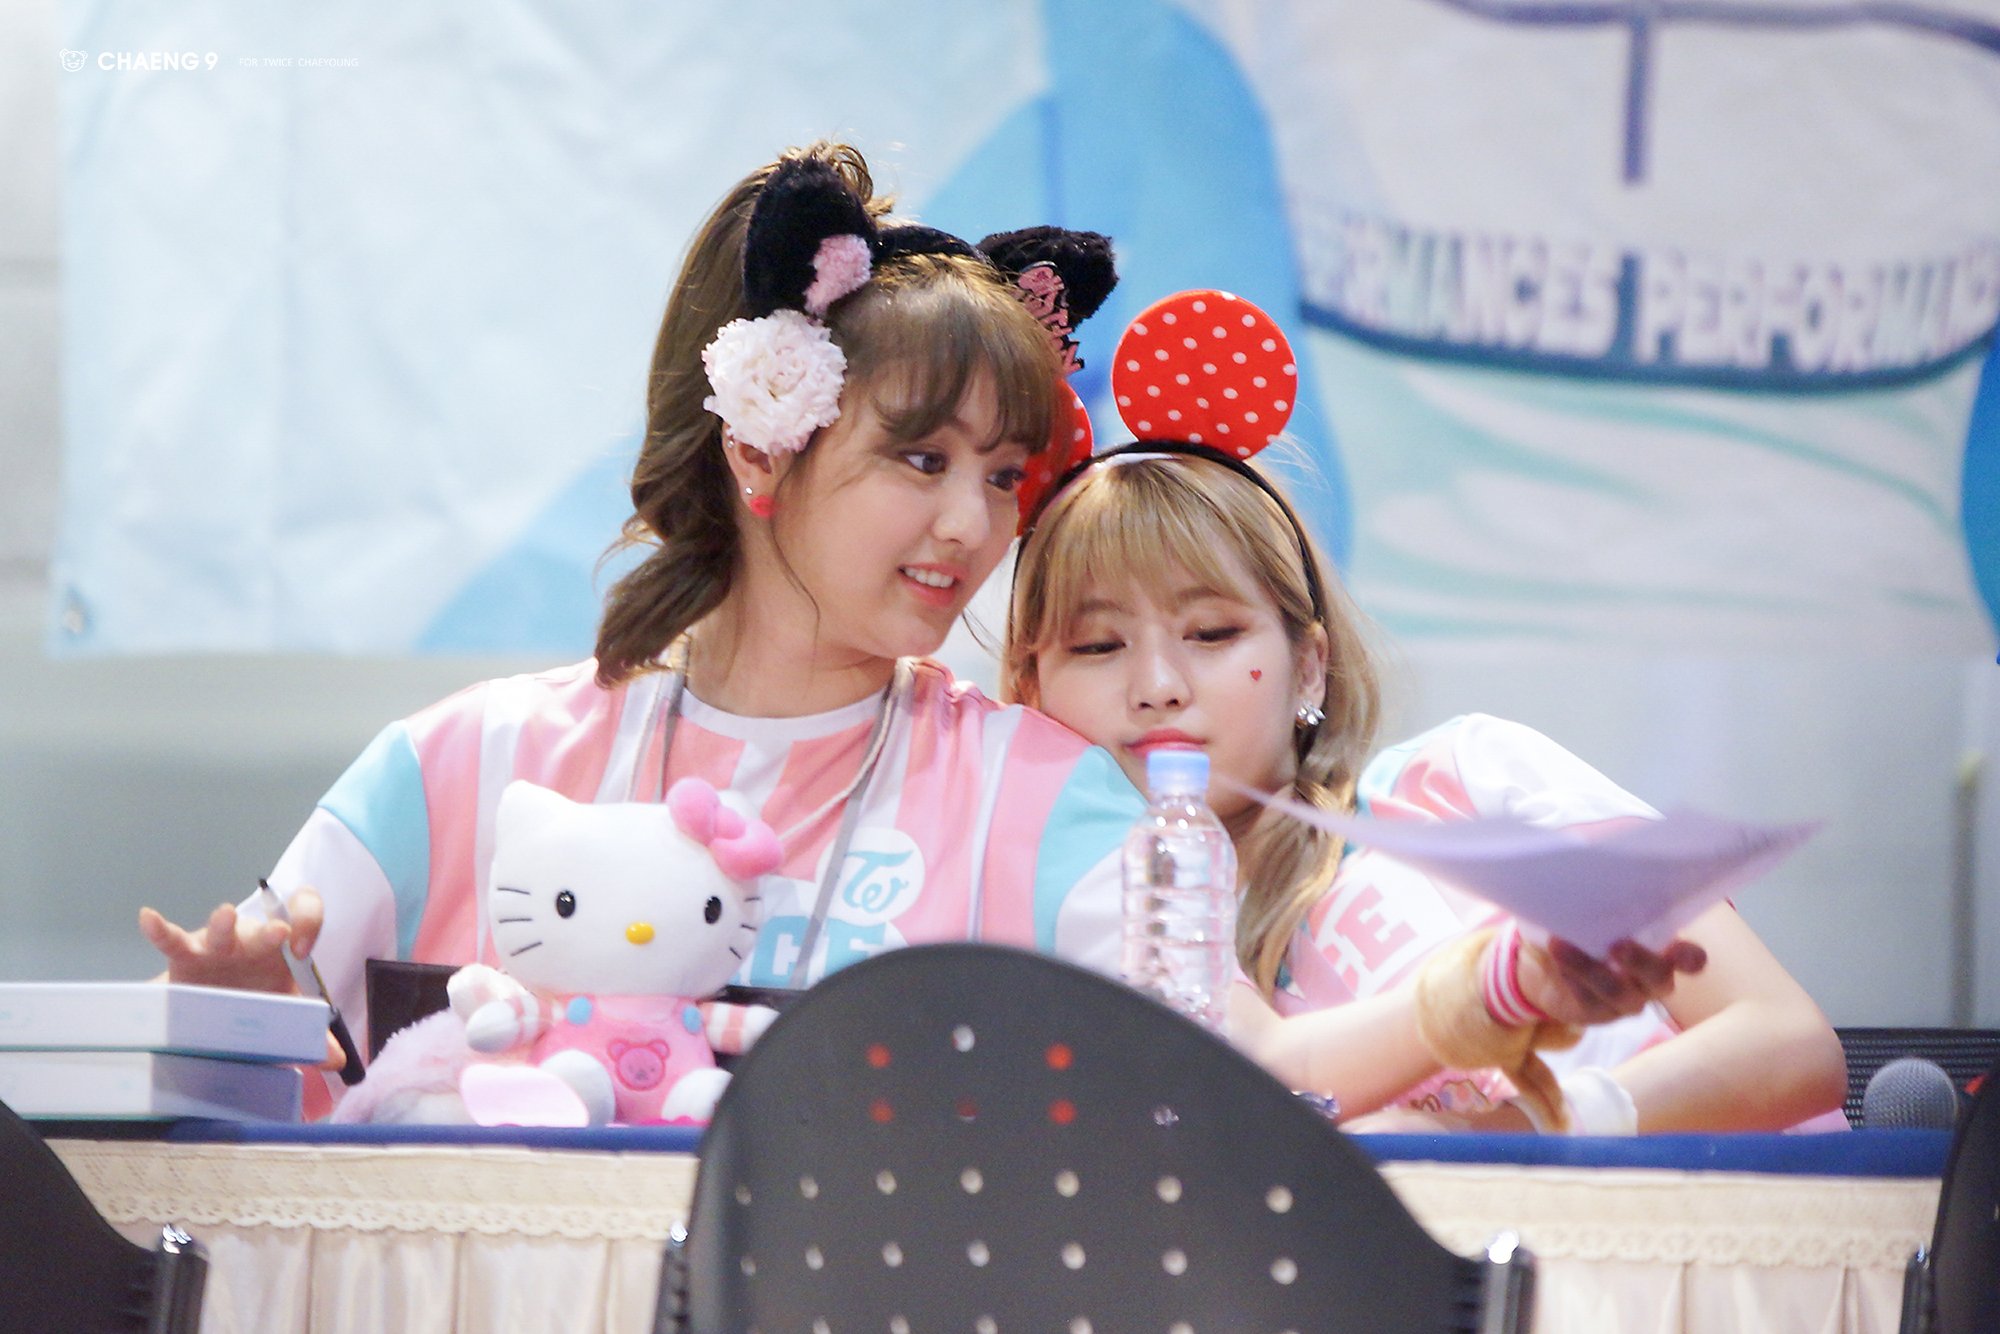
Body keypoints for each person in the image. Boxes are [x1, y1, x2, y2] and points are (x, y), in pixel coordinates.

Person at [138, 142, 1140, 1074]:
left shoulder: (1046, 803)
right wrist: (232, 1038)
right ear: (758, 444)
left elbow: (1195, 1107)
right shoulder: (459, 766)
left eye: (1002, 475)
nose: (973, 523)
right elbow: (203, 1088)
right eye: (921, 459)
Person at [1003, 290, 1849, 1132]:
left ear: (1309, 667)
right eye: (1098, 645)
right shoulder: (1104, 929)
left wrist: (1509, 1139)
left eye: (1212, 633)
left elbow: (1788, 1045)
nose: (1157, 685)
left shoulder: (1468, 775)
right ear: (1029, 685)